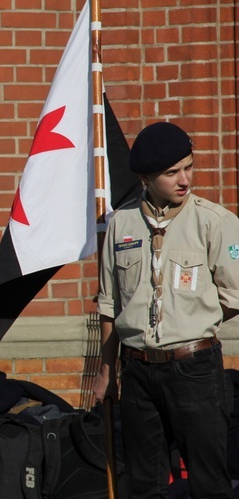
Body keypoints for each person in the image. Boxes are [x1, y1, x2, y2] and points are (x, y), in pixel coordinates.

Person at [94, 121, 239, 498]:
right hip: (137, 369)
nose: (184, 179)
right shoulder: (121, 224)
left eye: (188, 167)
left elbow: (233, 296)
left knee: (209, 480)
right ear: (145, 177)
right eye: (171, 172)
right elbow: (110, 306)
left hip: (194, 369)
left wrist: (190, 322)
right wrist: (108, 372)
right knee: (143, 483)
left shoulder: (215, 222)